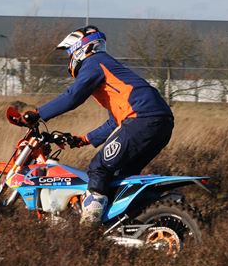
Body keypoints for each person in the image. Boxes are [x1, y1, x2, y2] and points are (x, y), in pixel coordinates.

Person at [21, 25, 174, 224]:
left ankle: (88, 228)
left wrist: (38, 114)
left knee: (99, 168)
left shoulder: (94, 62)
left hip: (142, 120)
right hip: (160, 123)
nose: (69, 58)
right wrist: (84, 139)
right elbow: (114, 122)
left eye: (70, 52)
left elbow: (73, 96)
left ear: (81, 48)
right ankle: (125, 223)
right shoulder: (110, 70)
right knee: (120, 178)